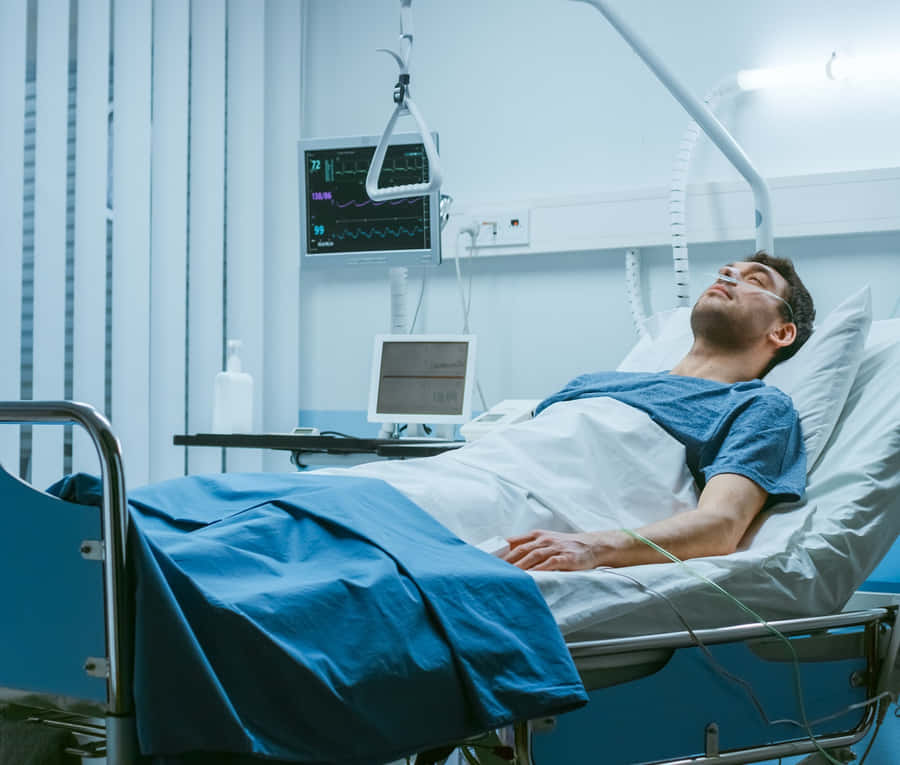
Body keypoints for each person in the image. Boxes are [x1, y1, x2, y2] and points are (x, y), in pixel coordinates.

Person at [502, 251, 815, 573]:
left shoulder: (757, 406)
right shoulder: (593, 382)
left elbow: (721, 526)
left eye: (754, 280)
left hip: (519, 519)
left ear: (781, 332)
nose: (726, 274)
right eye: (726, 270)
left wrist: (592, 547)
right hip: (478, 477)